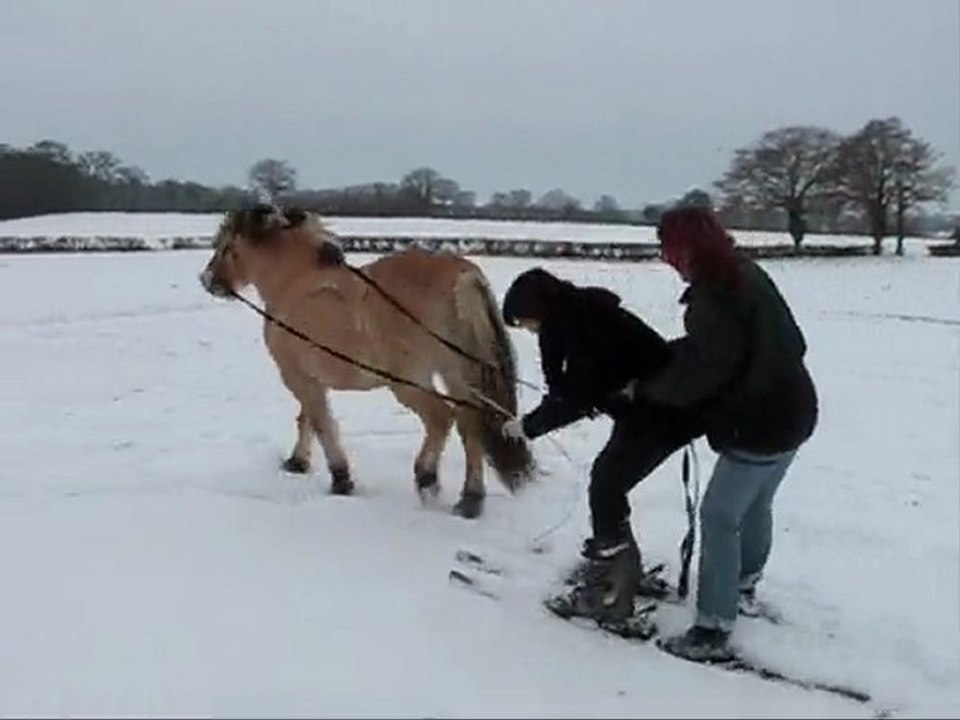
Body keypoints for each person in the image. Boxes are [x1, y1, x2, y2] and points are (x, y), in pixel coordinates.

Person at [629, 205, 820, 663]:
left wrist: (646, 388)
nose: (664, 258)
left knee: (718, 516)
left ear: (684, 247)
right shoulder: (747, 273)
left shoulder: (713, 294)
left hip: (761, 423)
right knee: (755, 504)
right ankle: (742, 588)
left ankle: (712, 629)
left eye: (666, 247)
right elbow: (790, 342)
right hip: (797, 407)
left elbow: (705, 372)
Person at [499, 267, 704, 626]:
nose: (529, 330)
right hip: (654, 407)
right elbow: (588, 383)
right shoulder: (580, 313)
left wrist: (528, 426)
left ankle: (611, 592)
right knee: (609, 482)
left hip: (665, 412)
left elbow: (578, 391)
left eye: (526, 322)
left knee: (606, 484)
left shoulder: (582, 325)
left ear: (539, 308)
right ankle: (624, 572)